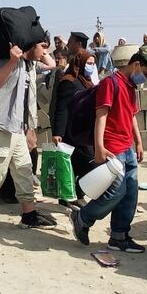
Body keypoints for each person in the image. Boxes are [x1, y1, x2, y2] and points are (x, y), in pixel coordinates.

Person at [69, 51, 147, 253]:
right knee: (116, 192)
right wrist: (99, 147)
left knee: (130, 192)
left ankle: (119, 236)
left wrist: (139, 142)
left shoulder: (131, 86)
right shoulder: (111, 82)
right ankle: (82, 217)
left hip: (127, 146)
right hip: (112, 148)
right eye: (146, 72)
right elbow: (101, 115)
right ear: (136, 64)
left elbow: (132, 116)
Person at [0, 39, 57, 231]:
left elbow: (51, 64)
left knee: (24, 170)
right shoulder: (3, 61)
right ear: (31, 46)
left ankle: (29, 214)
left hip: (16, 127)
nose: (45, 51)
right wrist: (12, 61)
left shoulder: (29, 65)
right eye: (42, 46)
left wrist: (29, 127)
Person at [51, 48, 97, 208]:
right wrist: (57, 132)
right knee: (89, 164)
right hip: (71, 131)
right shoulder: (68, 81)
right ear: (80, 63)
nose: (91, 66)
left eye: (93, 64)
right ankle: (72, 195)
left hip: (84, 131)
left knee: (79, 165)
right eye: (89, 63)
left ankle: (73, 195)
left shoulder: (88, 81)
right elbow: (61, 108)